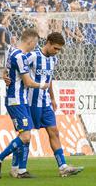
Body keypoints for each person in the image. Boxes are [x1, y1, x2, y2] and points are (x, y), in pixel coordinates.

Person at [5, 32, 84, 178]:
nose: (57, 52)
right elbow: (14, 66)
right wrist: (5, 76)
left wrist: (52, 98)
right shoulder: (32, 56)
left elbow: (49, 79)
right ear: (47, 42)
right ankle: (16, 167)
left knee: (53, 131)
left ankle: (63, 166)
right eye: (55, 48)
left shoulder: (54, 60)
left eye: (59, 49)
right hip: (30, 102)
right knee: (25, 135)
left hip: (46, 102)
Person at [0, 29, 49, 179]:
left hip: (20, 99)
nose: (35, 46)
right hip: (16, 100)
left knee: (25, 134)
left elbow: (7, 69)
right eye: (35, 43)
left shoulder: (12, 51)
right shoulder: (20, 56)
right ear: (30, 41)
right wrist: (43, 85)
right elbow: (28, 82)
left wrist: (4, 74)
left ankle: (18, 169)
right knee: (25, 136)